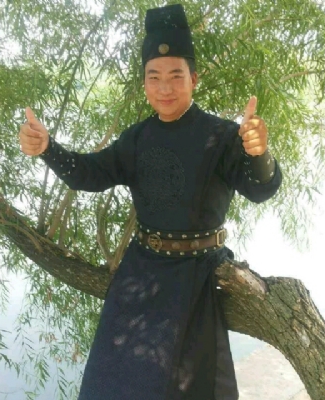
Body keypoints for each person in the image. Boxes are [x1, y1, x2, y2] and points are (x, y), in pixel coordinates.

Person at [19, 4, 282, 400]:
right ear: (144, 83)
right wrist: (47, 148)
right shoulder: (136, 138)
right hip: (140, 272)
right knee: (110, 385)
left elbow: (260, 189)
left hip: (196, 274)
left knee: (186, 389)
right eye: (153, 77)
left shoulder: (222, 136)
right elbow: (89, 174)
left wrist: (259, 154)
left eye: (175, 76)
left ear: (193, 79)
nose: (164, 88)